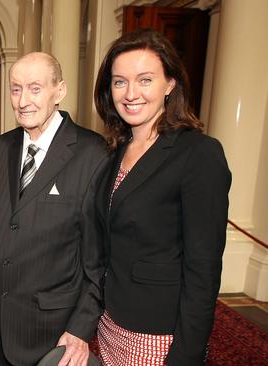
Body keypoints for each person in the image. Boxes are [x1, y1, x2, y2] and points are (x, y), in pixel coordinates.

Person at [93, 29, 231, 365]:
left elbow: (203, 269)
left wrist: (187, 354)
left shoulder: (199, 153)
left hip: (158, 335)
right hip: (110, 322)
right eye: (119, 82)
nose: (130, 93)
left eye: (145, 80)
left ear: (170, 84)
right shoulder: (115, 150)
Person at [0, 51, 108, 366]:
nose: (22, 101)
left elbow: (99, 260)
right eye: (15, 89)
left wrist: (80, 327)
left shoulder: (93, 153)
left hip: (52, 333)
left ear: (59, 91)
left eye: (35, 88)